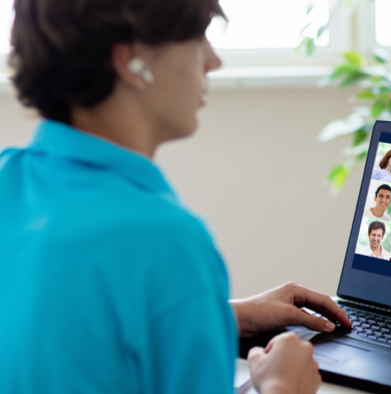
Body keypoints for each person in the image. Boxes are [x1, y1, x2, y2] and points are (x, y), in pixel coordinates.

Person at [0, 1, 351, 393]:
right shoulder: (164, 242)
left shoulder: (7, 178)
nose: (213, 61)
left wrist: (213, 315)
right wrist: (283, 387)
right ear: (132, 61)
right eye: (198, 38)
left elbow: (59, 334)